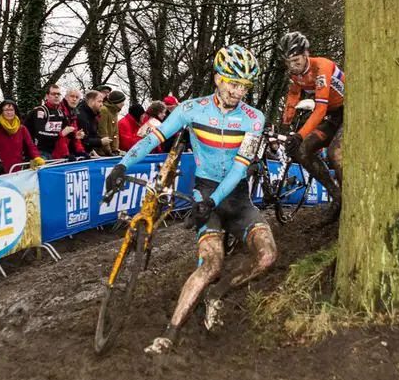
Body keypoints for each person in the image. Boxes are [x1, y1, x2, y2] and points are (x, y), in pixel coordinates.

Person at [105, 44, 278, 355]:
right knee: (211, 263)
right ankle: (169, 334)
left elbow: (240, 169)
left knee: (267, 256)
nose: (238, 92)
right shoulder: (191, 109)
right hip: (205, 192)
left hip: (236, 197)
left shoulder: (254, 118)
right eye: (232, 83)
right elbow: (152, 139)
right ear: (217, 79)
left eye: (244, 86)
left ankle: (218, 295)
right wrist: (121, 165)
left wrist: (216, 201)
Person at [278, 30, 344, 212]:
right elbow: (292, 95)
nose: (293, 67)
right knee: (303, 150)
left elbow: (320, 109)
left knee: (334, 153)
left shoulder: (322, 67)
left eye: (296, 61)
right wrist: (286, 126)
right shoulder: (294, 75)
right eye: (288, 63)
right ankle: (337, 197)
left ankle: (351, 199)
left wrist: (299, 134)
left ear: (306, 54)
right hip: (333, 115)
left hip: (348, 111)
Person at [0, 99, 41, 173]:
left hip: (17, 170)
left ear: (15, 111)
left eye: (11, 110)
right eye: (6, 110)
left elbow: (30, 145)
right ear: (1, 111)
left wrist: (36, 157)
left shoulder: (22, 129)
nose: (9, 112)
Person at [23, 84, 71, 160]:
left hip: (54, 151)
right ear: (47, 96)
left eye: (58, 94)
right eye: (53, 94)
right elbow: (40, 132)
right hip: (38, 152)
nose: (56, 96)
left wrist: (76, 135)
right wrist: (59, 134)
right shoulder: (40, 111)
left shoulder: (60, 112)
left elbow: (68, 129)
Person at [53, 88, 88, 160]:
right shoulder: (59, 110)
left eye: (77, 97)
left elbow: (74, 134)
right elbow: (61, 135)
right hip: (54, 152)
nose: (74, 99)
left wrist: (81, 151)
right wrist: (65, 154)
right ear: (66, 97)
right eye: (72, 96)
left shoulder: (73, 111)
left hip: (64, 150)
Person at [76, 90, 111, 155]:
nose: (102, 104)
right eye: (99, 101)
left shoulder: (92, 115)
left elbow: (92, 135)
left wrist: (91, 150)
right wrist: (100, 141)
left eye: (102, 102)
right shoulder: (81, 116)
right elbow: (82, 140)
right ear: (91, 102)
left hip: (87, 153)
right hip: (79, 155)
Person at [96, 90, 126, 156]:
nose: (123, 104)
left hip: (111, 151)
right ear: (117, 102)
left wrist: (115, 149)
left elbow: (115, 132)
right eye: (122, 101)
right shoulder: (104, 110)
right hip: (103, 152)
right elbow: (103, 131)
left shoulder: (114, 111)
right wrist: (108, 151)